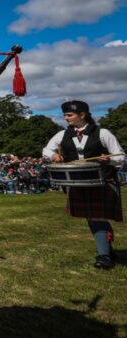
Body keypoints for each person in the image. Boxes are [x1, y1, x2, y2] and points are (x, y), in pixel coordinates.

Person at [43, 100, 125, 269]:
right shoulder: (62, 135)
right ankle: (107, 250)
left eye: (69, 115)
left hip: (102, 181)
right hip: (77, 181)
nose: (66, 118)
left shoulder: (103, 133)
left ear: (82, 115)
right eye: (65, 115)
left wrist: (109, 159)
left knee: (96, 217)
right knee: (92, 216)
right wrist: (54, 156)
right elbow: (47, 150)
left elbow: (121, 157)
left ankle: (104, 257)